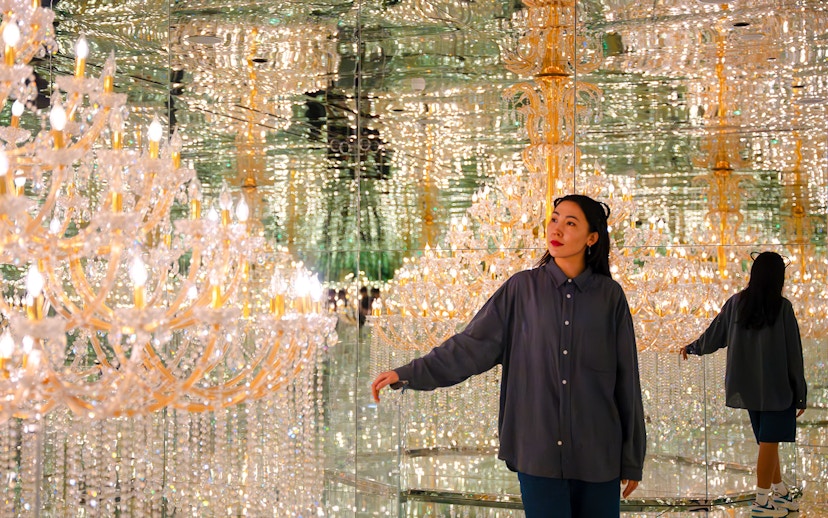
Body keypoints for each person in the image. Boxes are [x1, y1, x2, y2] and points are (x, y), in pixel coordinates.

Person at [371, 194, 646, 518]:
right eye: (554, 219)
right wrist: (409, 372)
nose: (556, 228)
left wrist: (632, 458)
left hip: (599, 454)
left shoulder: (609, 297)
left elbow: (627, 379)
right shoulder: (520, 290)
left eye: (570, 223)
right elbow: (470, 347)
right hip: (537, 452)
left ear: (591, 238)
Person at [679, 251, 807, 518]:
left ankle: (781, 493)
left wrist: (693, 347)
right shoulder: (782, 308)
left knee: (767, 443)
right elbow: (794, 353)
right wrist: (800, 394)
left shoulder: (737, 303)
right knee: (769, 443)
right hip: (776, 389)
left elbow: (715, 334)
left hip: (747, 388)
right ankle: (761, 503)